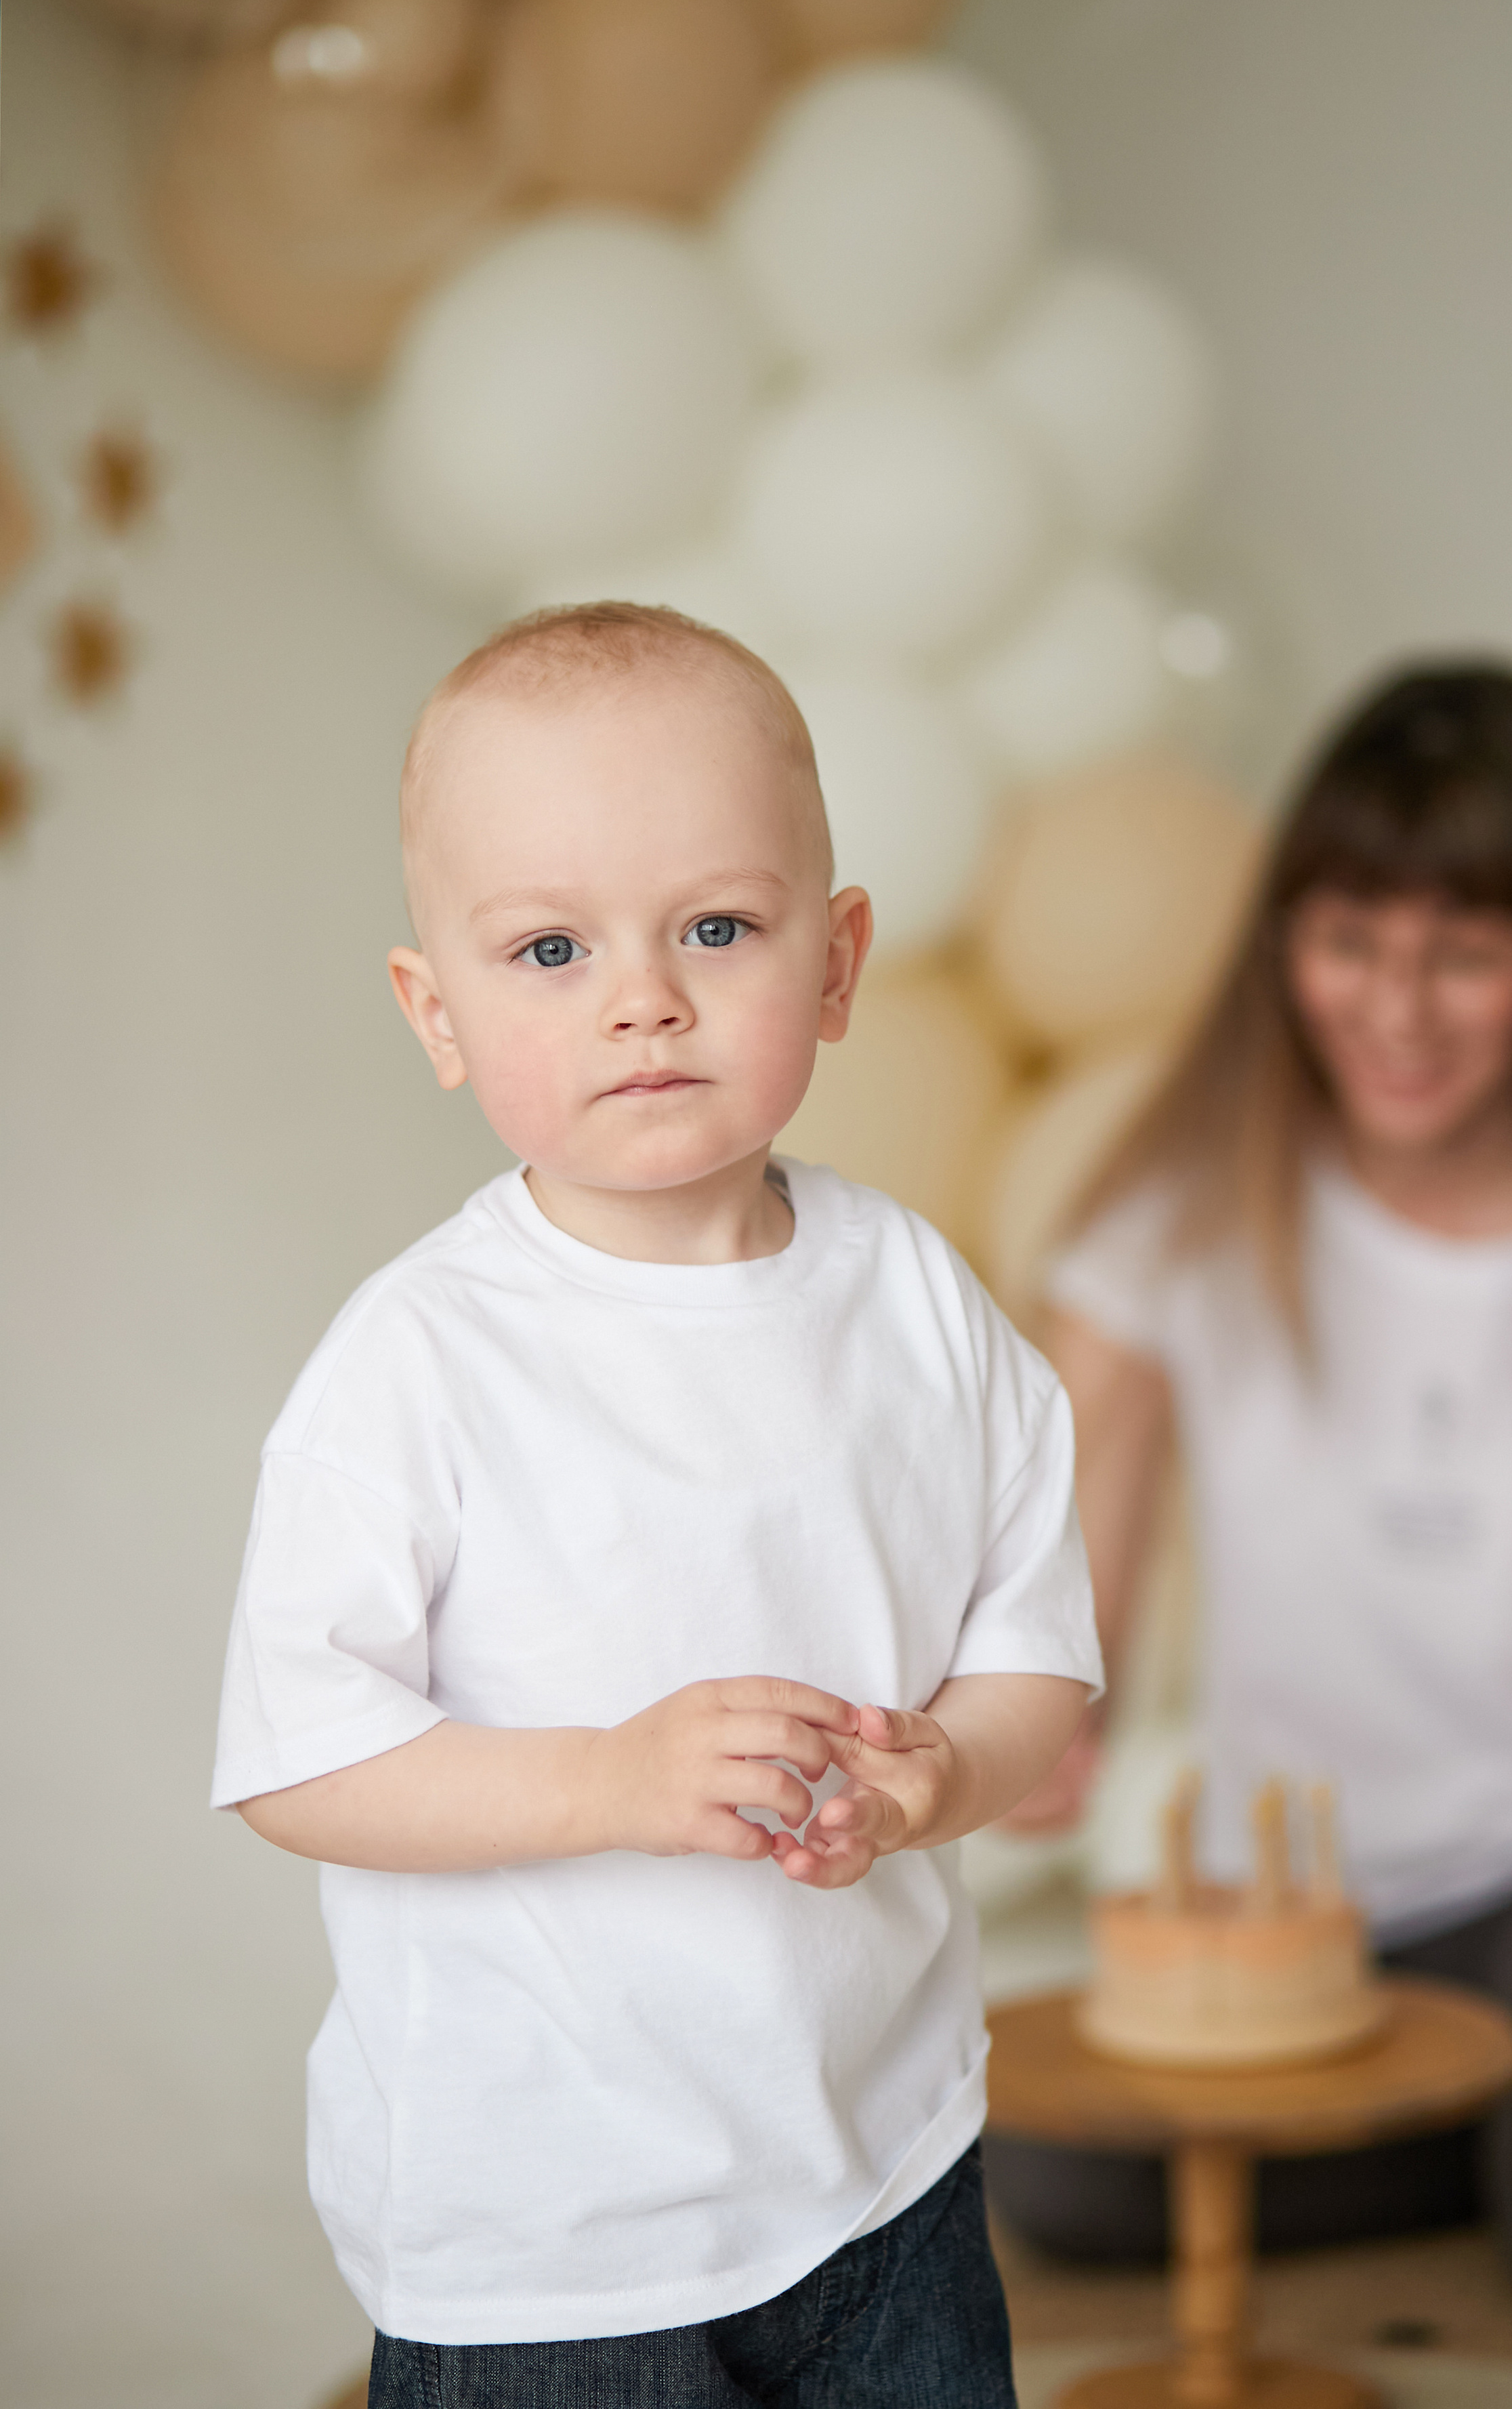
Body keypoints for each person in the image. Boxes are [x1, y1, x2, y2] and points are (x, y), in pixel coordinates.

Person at [211, 602, 1101, 2407]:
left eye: (717, 926)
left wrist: (950, 1773)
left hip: (886, 2166)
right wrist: (608, 1780)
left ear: (838, 963)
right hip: (551, 2240)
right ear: (434, 1011)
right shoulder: (419, 1367)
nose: (644, 996)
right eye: (548, 948)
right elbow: (296, 1759)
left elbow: (1034, 1649)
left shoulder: (921, 1305)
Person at [988, 659, 1512, 2315]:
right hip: (1315, 1921)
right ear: (1281, 948)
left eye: (1460, 955)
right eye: (1348, 945)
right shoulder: (1177, 1220)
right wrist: (1029, 1724)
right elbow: (1059, 1600)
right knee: (1058, 2178)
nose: (1394, 1013)